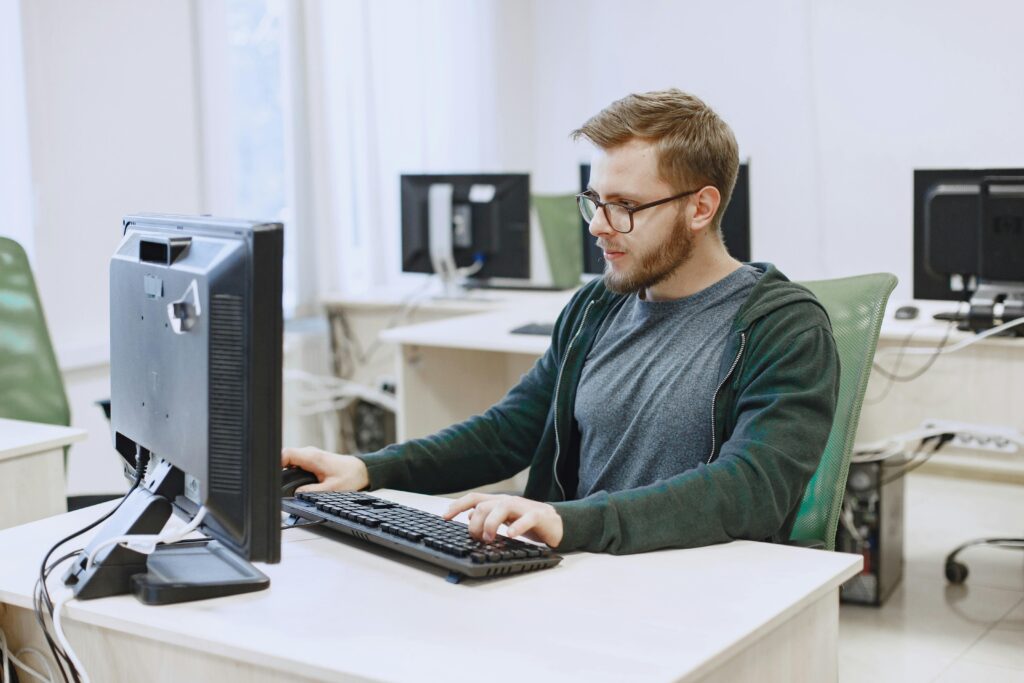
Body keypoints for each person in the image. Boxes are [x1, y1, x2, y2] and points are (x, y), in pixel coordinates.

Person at [282, 88, 839, 555]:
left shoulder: (783, 328)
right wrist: (367, 469)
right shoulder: (596, 308)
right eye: (593, 200)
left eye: (624, 205)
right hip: (583, 572)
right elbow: (511, 431)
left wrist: (569, 522)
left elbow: (750, 490)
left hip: (697, 587)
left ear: (700, 208)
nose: (597, 225)